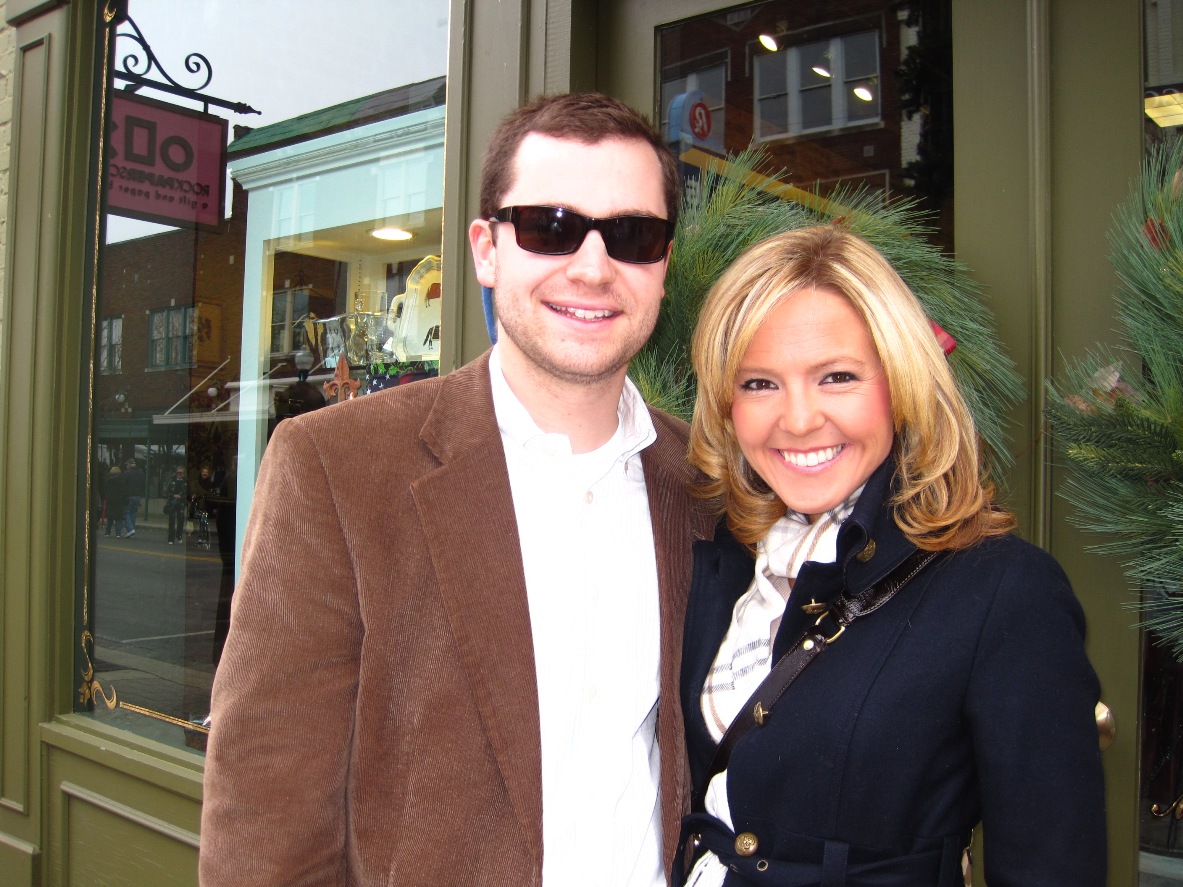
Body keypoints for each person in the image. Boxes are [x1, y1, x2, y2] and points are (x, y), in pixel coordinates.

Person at [200, 92, 717, 887]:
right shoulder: (337, 468)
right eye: (549, 226)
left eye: (631, 235)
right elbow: (266, 824)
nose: (592, 266)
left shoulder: (706, 484)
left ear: (662, 265)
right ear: (486, 250)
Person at [677, 226, 1106, 886]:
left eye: (837, 377)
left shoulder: (1004, 590)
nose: (797, 419)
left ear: (901, 384)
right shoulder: (727, 558)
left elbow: (1052, 865)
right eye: (759, 383)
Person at [121, 457, 145, 538]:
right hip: (137, 495)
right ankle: (132, 529)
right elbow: (143, 484)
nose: (126, 466)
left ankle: (130, 529)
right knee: (133, 513)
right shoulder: (140, 473)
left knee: (126, 513)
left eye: (127, 464)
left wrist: (123, 495)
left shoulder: (126, 473)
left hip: (129, 495)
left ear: (129, 465)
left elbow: (123, 485)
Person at [103, 464, 127, 538]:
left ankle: (107, 532)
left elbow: (105, 491)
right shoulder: (122, 481)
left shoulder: (108, 481)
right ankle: (118, 533)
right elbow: (125, 492)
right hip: (119, 501)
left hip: (110, 501)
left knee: (110, 518)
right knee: (119, 519)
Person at [165, 466, 187, 544]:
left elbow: (188, 493)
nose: (179, 474)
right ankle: (171, 539)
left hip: (181, 503)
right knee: (171, 521)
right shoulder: (172, 481)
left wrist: (181, 497)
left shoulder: (185, 482)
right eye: (177, 473)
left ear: (183, 474)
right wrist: (173, 495)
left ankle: (179, 535)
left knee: (181, 520)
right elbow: (167, 491)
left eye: (180, 473)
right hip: (172, 502)